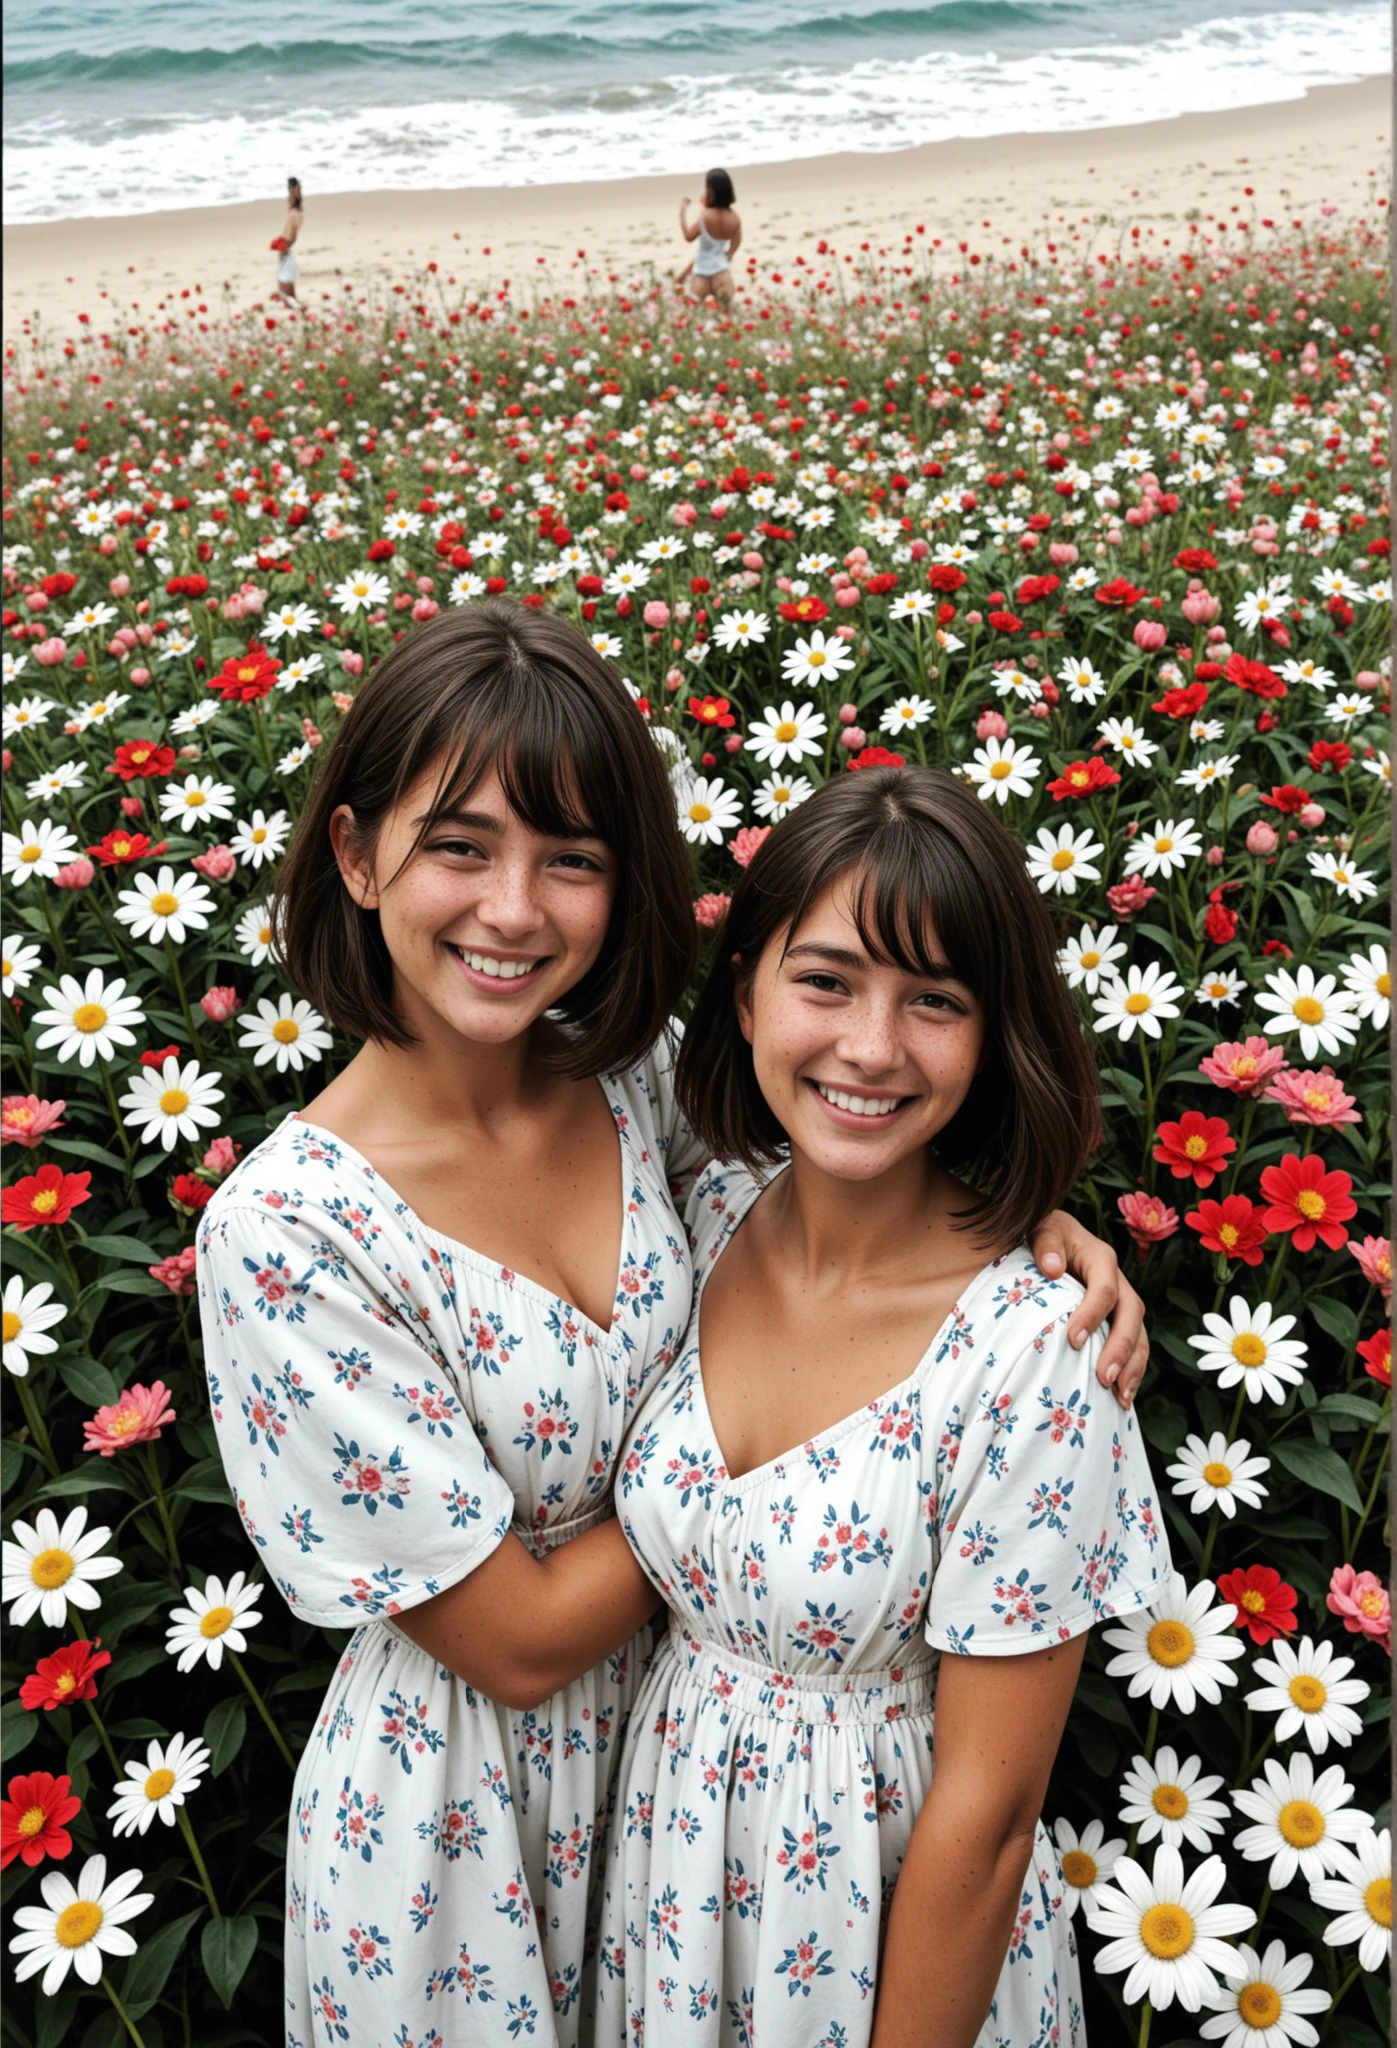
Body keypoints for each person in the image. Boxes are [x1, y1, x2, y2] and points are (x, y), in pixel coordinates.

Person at [194, 603, 1149, 2046]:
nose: (514, 909)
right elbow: (517, 1642)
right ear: (356, 852)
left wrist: (1029, 1227)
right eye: (459, 845)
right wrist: (811, 1515)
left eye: (571, 858)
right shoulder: (290, 1232)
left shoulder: (637, 1086)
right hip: (464, 1825)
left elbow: (843, 1179)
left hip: (721, 1826)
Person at [595, 765, 1171, 2048]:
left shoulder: (1037, 1351)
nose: (869, 1045)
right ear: (743, 989)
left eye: (934, 1000)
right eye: (825, 979)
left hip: (880, 1934)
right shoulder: (701, 1212)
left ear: (995, 1031)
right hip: (674, 1899)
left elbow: (989, 1817)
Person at [677, 169, 741, 303]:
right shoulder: (735, 218)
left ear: (710, 190)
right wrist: (727, 256)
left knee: (699, 313)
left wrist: (682, 212)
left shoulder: (705, 216)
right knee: (725, 312)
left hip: (701, 274)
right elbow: (735, 245)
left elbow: (688, 237)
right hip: (722, 273)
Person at [273, 176, 303, 306]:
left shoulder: (296, 211)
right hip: (285, 245)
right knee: (285, 276)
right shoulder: (293, 211)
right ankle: (291, 299)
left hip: (286, 245)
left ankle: (292, 300)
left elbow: (293, 232)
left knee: (285, 277)